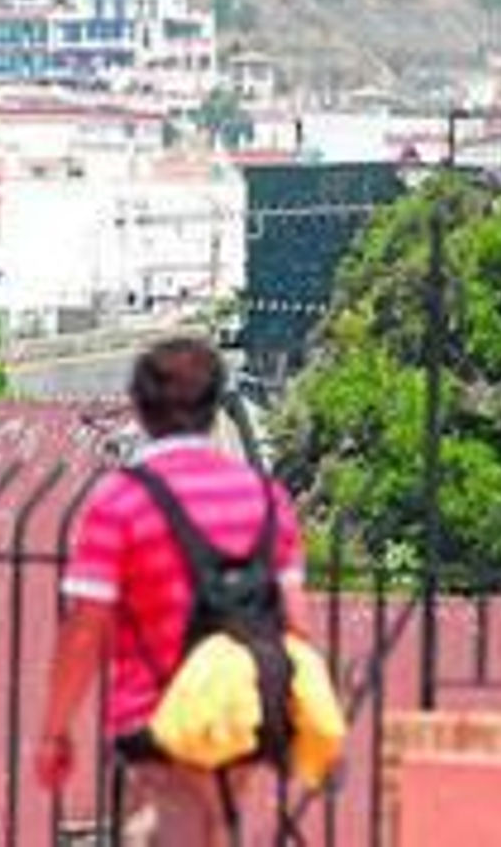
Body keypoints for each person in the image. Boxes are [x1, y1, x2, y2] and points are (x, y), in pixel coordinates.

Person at [35, 336, 308, 846]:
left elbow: (84, 630)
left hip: (155, 712)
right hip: (242, 710)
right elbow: (296, 622)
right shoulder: (264, 498)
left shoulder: (124, 500)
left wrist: (55, 728)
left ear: (140, 408)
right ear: (214, 407)